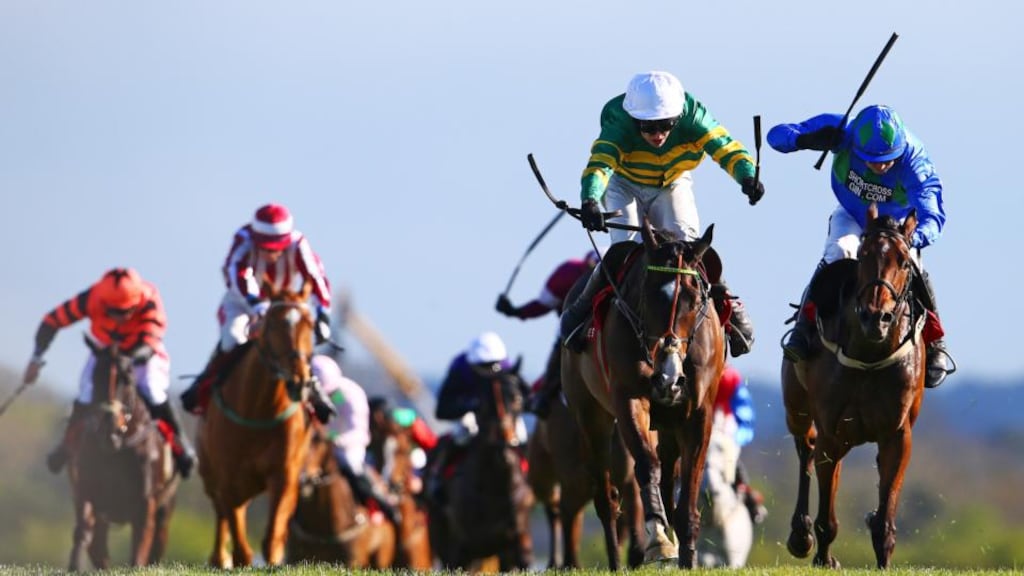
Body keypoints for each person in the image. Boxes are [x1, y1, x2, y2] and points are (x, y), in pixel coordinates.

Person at [560, 71, 763, 358]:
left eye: (665, 125)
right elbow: (601, 165)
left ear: (678, 118)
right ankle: (581, 310)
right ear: (633, 119)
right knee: (623, 248)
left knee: (690, 248)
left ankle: (731, 311)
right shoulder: (618, 123)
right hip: (624, 183)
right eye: (647, 126)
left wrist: (746, 176)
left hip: (672, 183)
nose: (657, 135)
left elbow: (725, 147)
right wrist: (591, 199)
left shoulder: (694, 116)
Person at [768, 104, 951, 388]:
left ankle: (936, 341)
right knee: (839, 250)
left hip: (897, 223)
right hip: (852, 214)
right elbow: (775, 136)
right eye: (871, 160)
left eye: (888, 160)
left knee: (910, 261)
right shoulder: (843, 131)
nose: (880, 166)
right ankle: (803, 328)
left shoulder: (915, 160)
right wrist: (803, 140)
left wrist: (913, 239)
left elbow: (933, 214)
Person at [23, 268, 197, 478]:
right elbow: (52, 321)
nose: (121, 317)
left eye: (126, 312)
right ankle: (65, 445)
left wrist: (130, 357)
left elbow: (150, 341)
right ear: (104, 304)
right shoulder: (92, 297)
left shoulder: (149, 299)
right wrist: (36, 358)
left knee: (152, 390)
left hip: (141, 353)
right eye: (114, 312)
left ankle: (181, 447)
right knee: (87, 392)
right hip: (105, 351)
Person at [180, 203, 336, 420]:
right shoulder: (243, 240)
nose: (270, 252)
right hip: (242, 301)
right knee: (232, 337)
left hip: (284, 303)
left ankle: (312, 387)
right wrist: (257, 306)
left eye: (275, 248)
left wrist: (323, 315)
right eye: (265, 247)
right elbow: (236, 272)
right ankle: (206, 382)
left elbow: (316, 277)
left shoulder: (298, 243)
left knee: (295, 340)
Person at [424, 332, 528, 503]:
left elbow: (527, 397)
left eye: (494, 365)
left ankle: (528, 478)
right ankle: (439, 480)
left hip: (501, 416)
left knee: (520, 435)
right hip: (472, 415)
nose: (491, 371)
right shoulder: (459, 368)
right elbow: (442, 409)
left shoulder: (507, 367)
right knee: (461, 435)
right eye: (484, 366)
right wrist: (471, 406)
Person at [495, 250, 599, 417]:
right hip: (576, 326)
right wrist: (515, 311)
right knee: (563, 342)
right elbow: (543, 304)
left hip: (605, 323)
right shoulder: (567, 273)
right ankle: (544, 393)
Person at [313, 355, 400, 525]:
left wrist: (335, 440)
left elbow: (358, 431)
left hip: (348, 446)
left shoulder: (351, 394)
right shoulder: (311, 393)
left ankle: (382, 505)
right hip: (320, 444)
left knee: (351, 467)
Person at [712, 365, 767, 525]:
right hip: (697, 429)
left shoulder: (730, 378)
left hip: (724, 428)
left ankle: (748, 499)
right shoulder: (692, 371)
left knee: (732, 463)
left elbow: (744, 412)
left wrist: (735, 436)